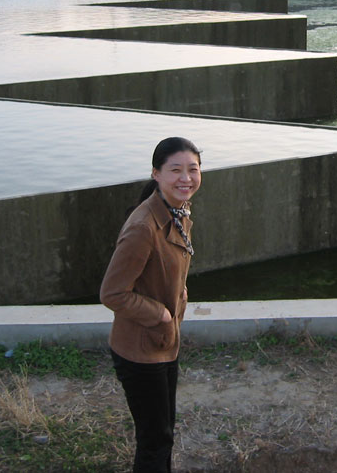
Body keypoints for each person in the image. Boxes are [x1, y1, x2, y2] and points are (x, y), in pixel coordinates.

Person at [100, 137, 202, 471]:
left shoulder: (177, 210)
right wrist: (159, 314)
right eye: (176, 170)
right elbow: (112, 293)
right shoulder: (144, 227)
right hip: (140, 350)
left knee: (162, 433)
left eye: (193, 169)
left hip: (162, 342)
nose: (185, 178)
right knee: (155, 440)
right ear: (156, 174)